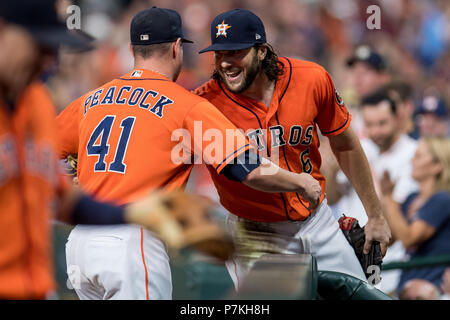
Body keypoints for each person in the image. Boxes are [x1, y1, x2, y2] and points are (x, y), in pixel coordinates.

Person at [56, 6, 321, 300]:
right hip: (133, 239)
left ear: (132, 48)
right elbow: (249, 169)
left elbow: (46, 150)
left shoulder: (92, 99)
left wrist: (72, 175)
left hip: (81, 243)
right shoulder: (186, 105)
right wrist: (301, 182)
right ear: (176, 47)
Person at [0, 0, 203, 300]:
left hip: (38, 283)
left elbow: (67, 201)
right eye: (41, 47)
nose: (49, 62)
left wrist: (134, 212)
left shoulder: (38, 105)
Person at [195, 8, 391, 289]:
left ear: (261, 51)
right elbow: (250, 172)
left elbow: (345, 143)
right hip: (255, 232)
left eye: (236, 52)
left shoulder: (310, 78)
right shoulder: (204, 104)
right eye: (219, 54)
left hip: (317, 221)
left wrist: (375, 215)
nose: (226, 63)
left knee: (360, 294)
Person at [328, 90, 419, 294]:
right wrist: (333, 169)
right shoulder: (358, 149)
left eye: (382, 123)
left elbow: (403, 223)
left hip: (392, 260)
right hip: (351, 253)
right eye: (370, 125)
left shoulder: (415, 154)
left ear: (398, 118)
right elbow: (334, 197)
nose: (376, 131)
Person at [380, 137, 450, 297]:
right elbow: (388, 238)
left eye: (418, 156)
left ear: (437, 166)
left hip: (431, 289)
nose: (412, 160)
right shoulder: (412, 197)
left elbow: (409, 237)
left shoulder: (442, 199)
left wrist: (388, 198)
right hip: (405, 287)